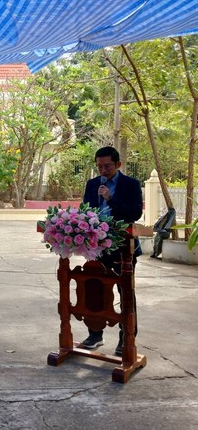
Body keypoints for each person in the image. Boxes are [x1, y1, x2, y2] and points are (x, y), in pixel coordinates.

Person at [80, 146, 143, 356]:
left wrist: (110, 199)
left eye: (107, 166)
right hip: (97, 248)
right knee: (94, 287)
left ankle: (127, 337)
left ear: (118, 164)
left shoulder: (131, 185)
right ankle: (95, 333)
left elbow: (135, 213)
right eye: (99, 166)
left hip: (123, 247)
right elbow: (85, 212)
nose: (103, 171)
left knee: (125, 291)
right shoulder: (92, 184)